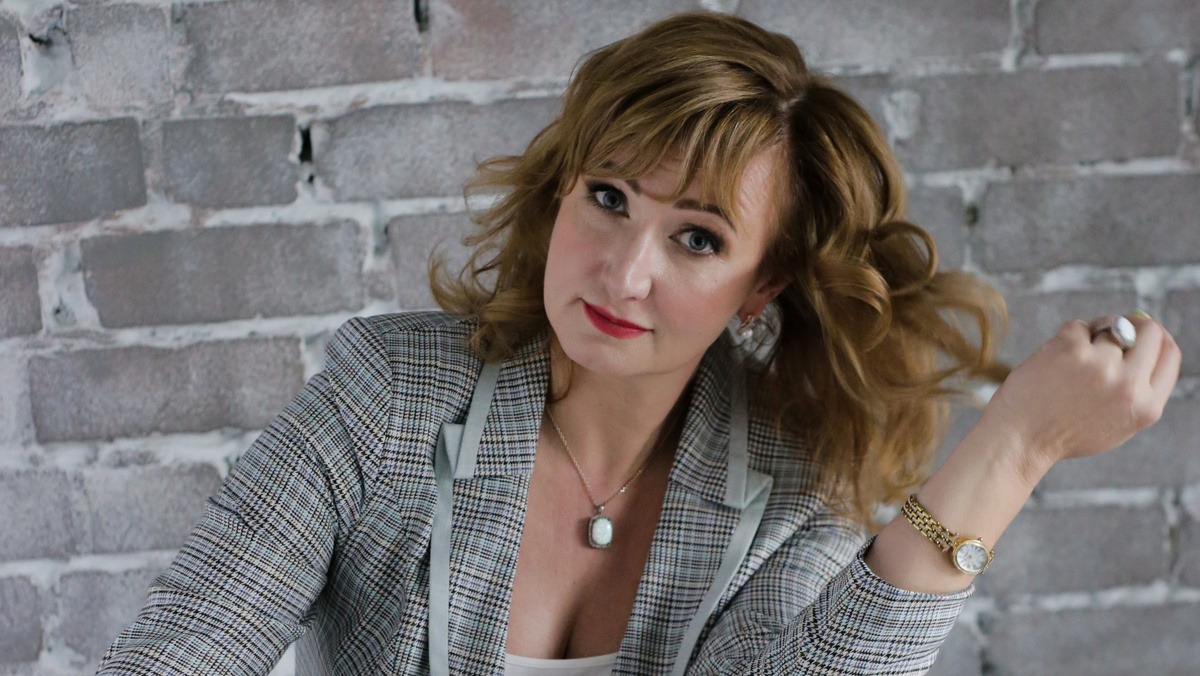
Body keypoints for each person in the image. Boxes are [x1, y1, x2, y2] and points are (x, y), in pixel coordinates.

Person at [98, 11, 1180, 676]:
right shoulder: (388, 396)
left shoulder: (788, 490)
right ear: (561, 191)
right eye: (609, 197)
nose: (624, 272)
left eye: (697, 238)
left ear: (762, 286)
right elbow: (183, 650)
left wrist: (1019, 446)